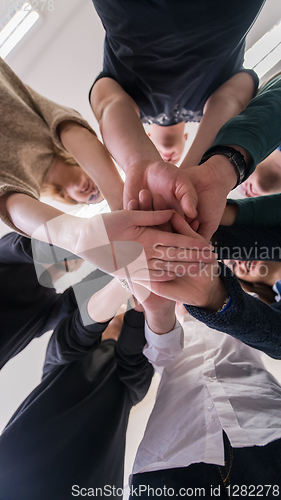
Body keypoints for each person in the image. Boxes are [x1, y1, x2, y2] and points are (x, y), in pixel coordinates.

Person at [0, 57, 215, 281]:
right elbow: (70, 127)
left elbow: (8, 202)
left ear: (68, 198)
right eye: (96, 191)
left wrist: (80, 236)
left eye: (91, 197)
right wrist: (118, 203)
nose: (93, 191)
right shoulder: (62, 133)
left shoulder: (23, 187)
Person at [90, 0, 264, 215]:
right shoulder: (210, 104)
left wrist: (140, 162)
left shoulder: (129, 100)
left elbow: (107, 104)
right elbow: (237, 95)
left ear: (148, 133)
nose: (167, 158)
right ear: (185, 139)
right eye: (173, 160)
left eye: (162, 157)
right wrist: (192, 173)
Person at [0, 272, 158, 500]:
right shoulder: (59, 359)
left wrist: (136, 292)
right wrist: (127, 283)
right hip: (18, 476)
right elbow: (79, 329)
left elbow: (133, 355)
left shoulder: (133, 383)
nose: (119, 312)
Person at [130, 306, 281, 499]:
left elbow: (264, 329)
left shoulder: (244, 304)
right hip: (169, 458)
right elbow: (160, 352)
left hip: (266, 430)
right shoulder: (162, 333)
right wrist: (159, 307)